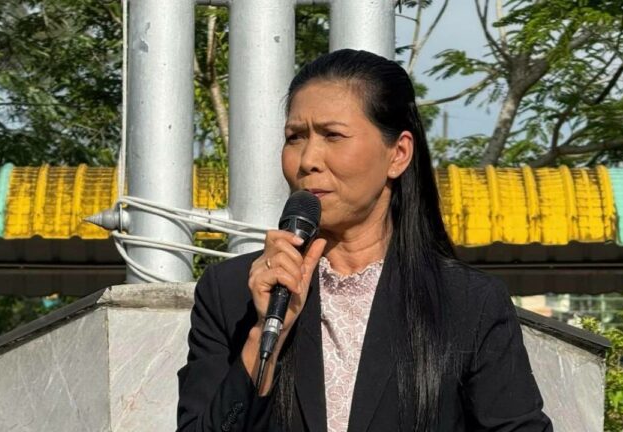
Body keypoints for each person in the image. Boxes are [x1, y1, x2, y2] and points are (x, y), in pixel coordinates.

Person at [177, 49, 553, 432]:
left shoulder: (467, 301)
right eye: (295, 137)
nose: (308, 159)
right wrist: (263, 335)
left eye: (333, 135)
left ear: (398, 154)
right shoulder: (231, 293)